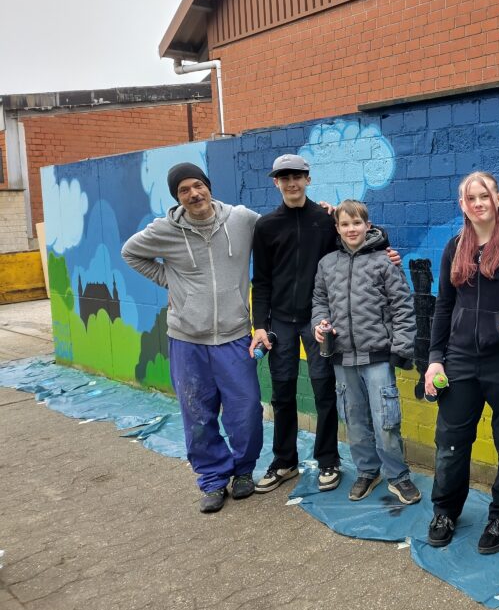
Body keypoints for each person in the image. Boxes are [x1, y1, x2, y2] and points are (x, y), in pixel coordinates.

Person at [122, 163, 263, 513]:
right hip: (187, 339)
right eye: (184, 190)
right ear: (177, 197)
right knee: (197, 413)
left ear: (208, 187)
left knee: (246, 410)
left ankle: (243, 471)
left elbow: (281, 231)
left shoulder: (241, 219)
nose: (193, 194)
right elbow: (130, 252)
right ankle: (213, 480)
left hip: (234, 335)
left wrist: (327, 214)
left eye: (198, 185)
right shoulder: (165, 230)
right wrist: (170, 282)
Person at [423, 171, 499, 554]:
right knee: (451, 443)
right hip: (460, 360)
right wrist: (435, 360)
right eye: (471, 198)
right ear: (462, 204)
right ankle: (445, 511)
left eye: (485, 196)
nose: (478, 203)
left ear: (498, 199)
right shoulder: (454, 247)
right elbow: (444, 306)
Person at [311, 200, 421, 505]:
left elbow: (403, 307)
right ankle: (367, 471)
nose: (351, 229)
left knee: (386, 421)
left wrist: (400, 349)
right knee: (355, 421)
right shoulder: (327, 264)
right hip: (342, 358)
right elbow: (319, 301)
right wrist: (320, 323)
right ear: (337, 228)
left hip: (378, 358)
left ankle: (398, 476)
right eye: (345, 224)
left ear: (368, 226)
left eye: (357, 223)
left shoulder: (385, 262)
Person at [250, 154, 343, 494]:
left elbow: (357, 243)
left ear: (308, 179)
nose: (291, 183)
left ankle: (328, 459)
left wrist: (386, 250)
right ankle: (285, 461)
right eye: (284, 177)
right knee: (283, 392)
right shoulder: (266, 226)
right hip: (281, 322)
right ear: (276, 182)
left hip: (318, 319)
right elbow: (261, 281)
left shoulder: (327, 220)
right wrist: (260, 325)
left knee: (324, 390)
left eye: (297, 176)